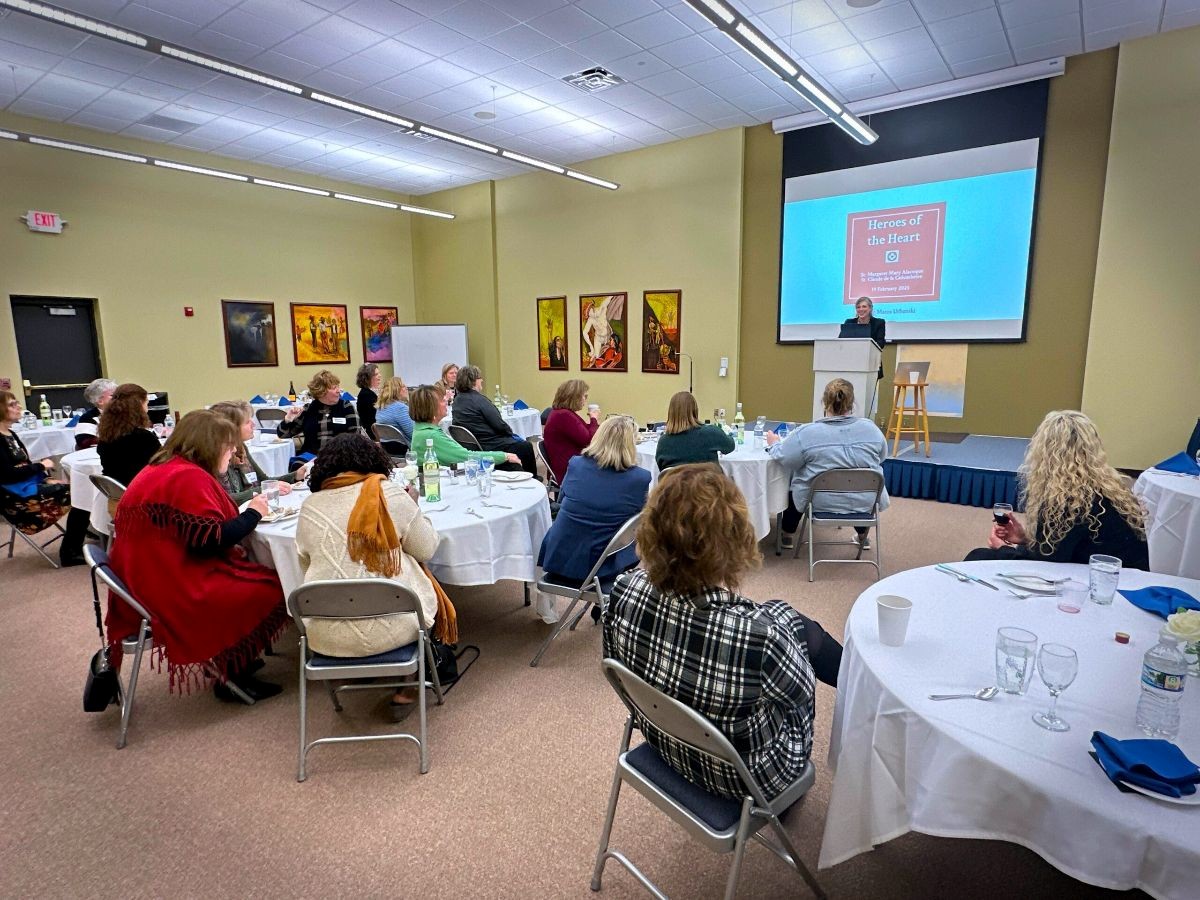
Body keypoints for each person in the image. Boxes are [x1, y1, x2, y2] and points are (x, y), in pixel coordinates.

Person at [603, 464, 842, 801]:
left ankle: (851, 672)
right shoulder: (760, 638)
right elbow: (800, 697)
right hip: (744, 780)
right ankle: (861, 681)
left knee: (782, 617)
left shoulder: (623, 590)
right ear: (733, 539)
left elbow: (615, 663)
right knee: (789, 622)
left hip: (663, 742)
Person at [107, 410, 285, 703]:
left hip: (143, 574)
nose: (232, 452)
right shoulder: (186, 477)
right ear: (210, 445)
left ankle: (232, 658)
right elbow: (209, 542)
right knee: (273, 588)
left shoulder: (164, 466)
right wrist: (254, 511)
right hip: (168, 583)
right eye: (228, 446)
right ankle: (232, 673)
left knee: (258, 575)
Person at [296, 433, 447, 720]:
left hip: (325, 635)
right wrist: (414, 506)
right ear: (373, 461)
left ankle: (356, 664)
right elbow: (426, 548)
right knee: (411, 566)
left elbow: (305, 567)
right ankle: (408, 686)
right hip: (396, 625)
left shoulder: (309, 508)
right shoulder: (389, 495)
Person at [964, 410, 1149, 569]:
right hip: (1122, 572)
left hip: (1102, 581)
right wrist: (1025, 539)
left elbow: (1045, 566)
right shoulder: (1109, 488)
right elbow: (1064, 547)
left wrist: (1002, 549)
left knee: (978, 557)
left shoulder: (1067, 499)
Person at [538, 417, 650, 622]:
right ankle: (607, 603)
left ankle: (602, 602)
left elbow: (562, 502)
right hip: (600, 570)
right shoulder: (640, 478)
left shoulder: (576, 464)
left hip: (558, 558)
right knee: (636, 537)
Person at [765, 378, 889, 551]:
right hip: (865, 501)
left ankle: (787, 534)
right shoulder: (872, 430)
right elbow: (882, 457)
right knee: (859, 482)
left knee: (795, 479)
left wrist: (774, 443)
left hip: (819, 501)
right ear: (852, 403)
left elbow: (786, 458)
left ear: (825, 403)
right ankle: (863, 536)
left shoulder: (807, 433)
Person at [0, 390, 90, 566]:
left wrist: (46, 479)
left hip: (24, 487)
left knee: (78, 490)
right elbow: (6, 475)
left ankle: (78, 541)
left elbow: (24, 466)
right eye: (12, 404)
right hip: (14, 497)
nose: (19, 407)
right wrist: (41, 466)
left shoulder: (11, 434)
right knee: (80, 493)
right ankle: (70, 551)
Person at [209, 401, 304, 505]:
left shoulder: (241, 448)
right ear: (231, 427)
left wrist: (296, 475)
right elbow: (224, 499)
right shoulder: (217, 455)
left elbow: (264, 480)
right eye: (247, 422)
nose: (253, 424)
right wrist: (263, 491)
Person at [451, 365, 537, 475]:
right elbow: (500, 425)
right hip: (490, 444)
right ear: (473, 381)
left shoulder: (457, 401)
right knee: (526, 446)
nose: (482, 380)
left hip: (473, 444)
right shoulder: (480, 400)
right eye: (479, 378)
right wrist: (510, 433)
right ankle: (532, 478)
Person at [409, 385, 518, 469]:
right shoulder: (431, 435)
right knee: (513, 463)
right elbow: (466, 457)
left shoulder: (420, 429)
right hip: (443, 481)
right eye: (442, 400)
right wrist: (504, 456)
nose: (446, 402)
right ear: (431, 408)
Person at [276, 370, 359, 457]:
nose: (339, 391)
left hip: (339, 457)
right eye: (334, 388)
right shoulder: (308, 409)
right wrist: (288, 419)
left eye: (338, 387)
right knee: (298, 466)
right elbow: (283, 435)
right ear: (321, 391)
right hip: (311, 456)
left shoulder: (346, 407)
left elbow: (355, 438)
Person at [97, 383, 160, 488]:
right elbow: (161, 465)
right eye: (147, 404)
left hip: (116, 492)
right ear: (139, 405)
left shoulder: (106, 436)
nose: (147, 409)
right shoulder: (144, 438)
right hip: (141, 491)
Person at [655, 391, 735, 472]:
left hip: (675, 484)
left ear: (671, 413)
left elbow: (661, 469)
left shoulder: (663, 442)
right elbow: (730, 447)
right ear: (695, 410)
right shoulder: (711, 433)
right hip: (708, 483)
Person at [541, 378, 599, 484]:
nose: (586, 400)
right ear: (575, 397)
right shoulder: (564, 415)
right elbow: (589, 440)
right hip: (569, 468)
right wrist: (594, 419)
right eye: (584, 396)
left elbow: (583, 430)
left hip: (569, 462)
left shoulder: (562, 413)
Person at [843, 296, 885, 381]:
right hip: (850, 362)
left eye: (864, 306)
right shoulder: (849, 322)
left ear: (870, 308)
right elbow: (842, 341)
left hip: (871, 363)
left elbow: (880, 343)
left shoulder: (879, 323)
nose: (861, 309)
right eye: (858, 307)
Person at [74, 377, 117, 450]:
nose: (118, 398)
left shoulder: (124, 413)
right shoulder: (88, 418)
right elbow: (84, 442)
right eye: (113, 396)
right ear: (100, 401)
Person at [376, 376, 414, 442]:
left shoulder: (380, 407)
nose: (406, 388)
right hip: (404, 448)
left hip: (386, 448)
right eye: (403, 386)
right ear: (397, 390)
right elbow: (413, 434)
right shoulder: (400, 408)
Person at [356, 363, 381, 435]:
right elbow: (373, 418)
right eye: (376, 374)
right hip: (373, 433)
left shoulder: (373, 392)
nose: (380, 376)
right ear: (367, 378)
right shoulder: (366, 395)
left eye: (379, 373)